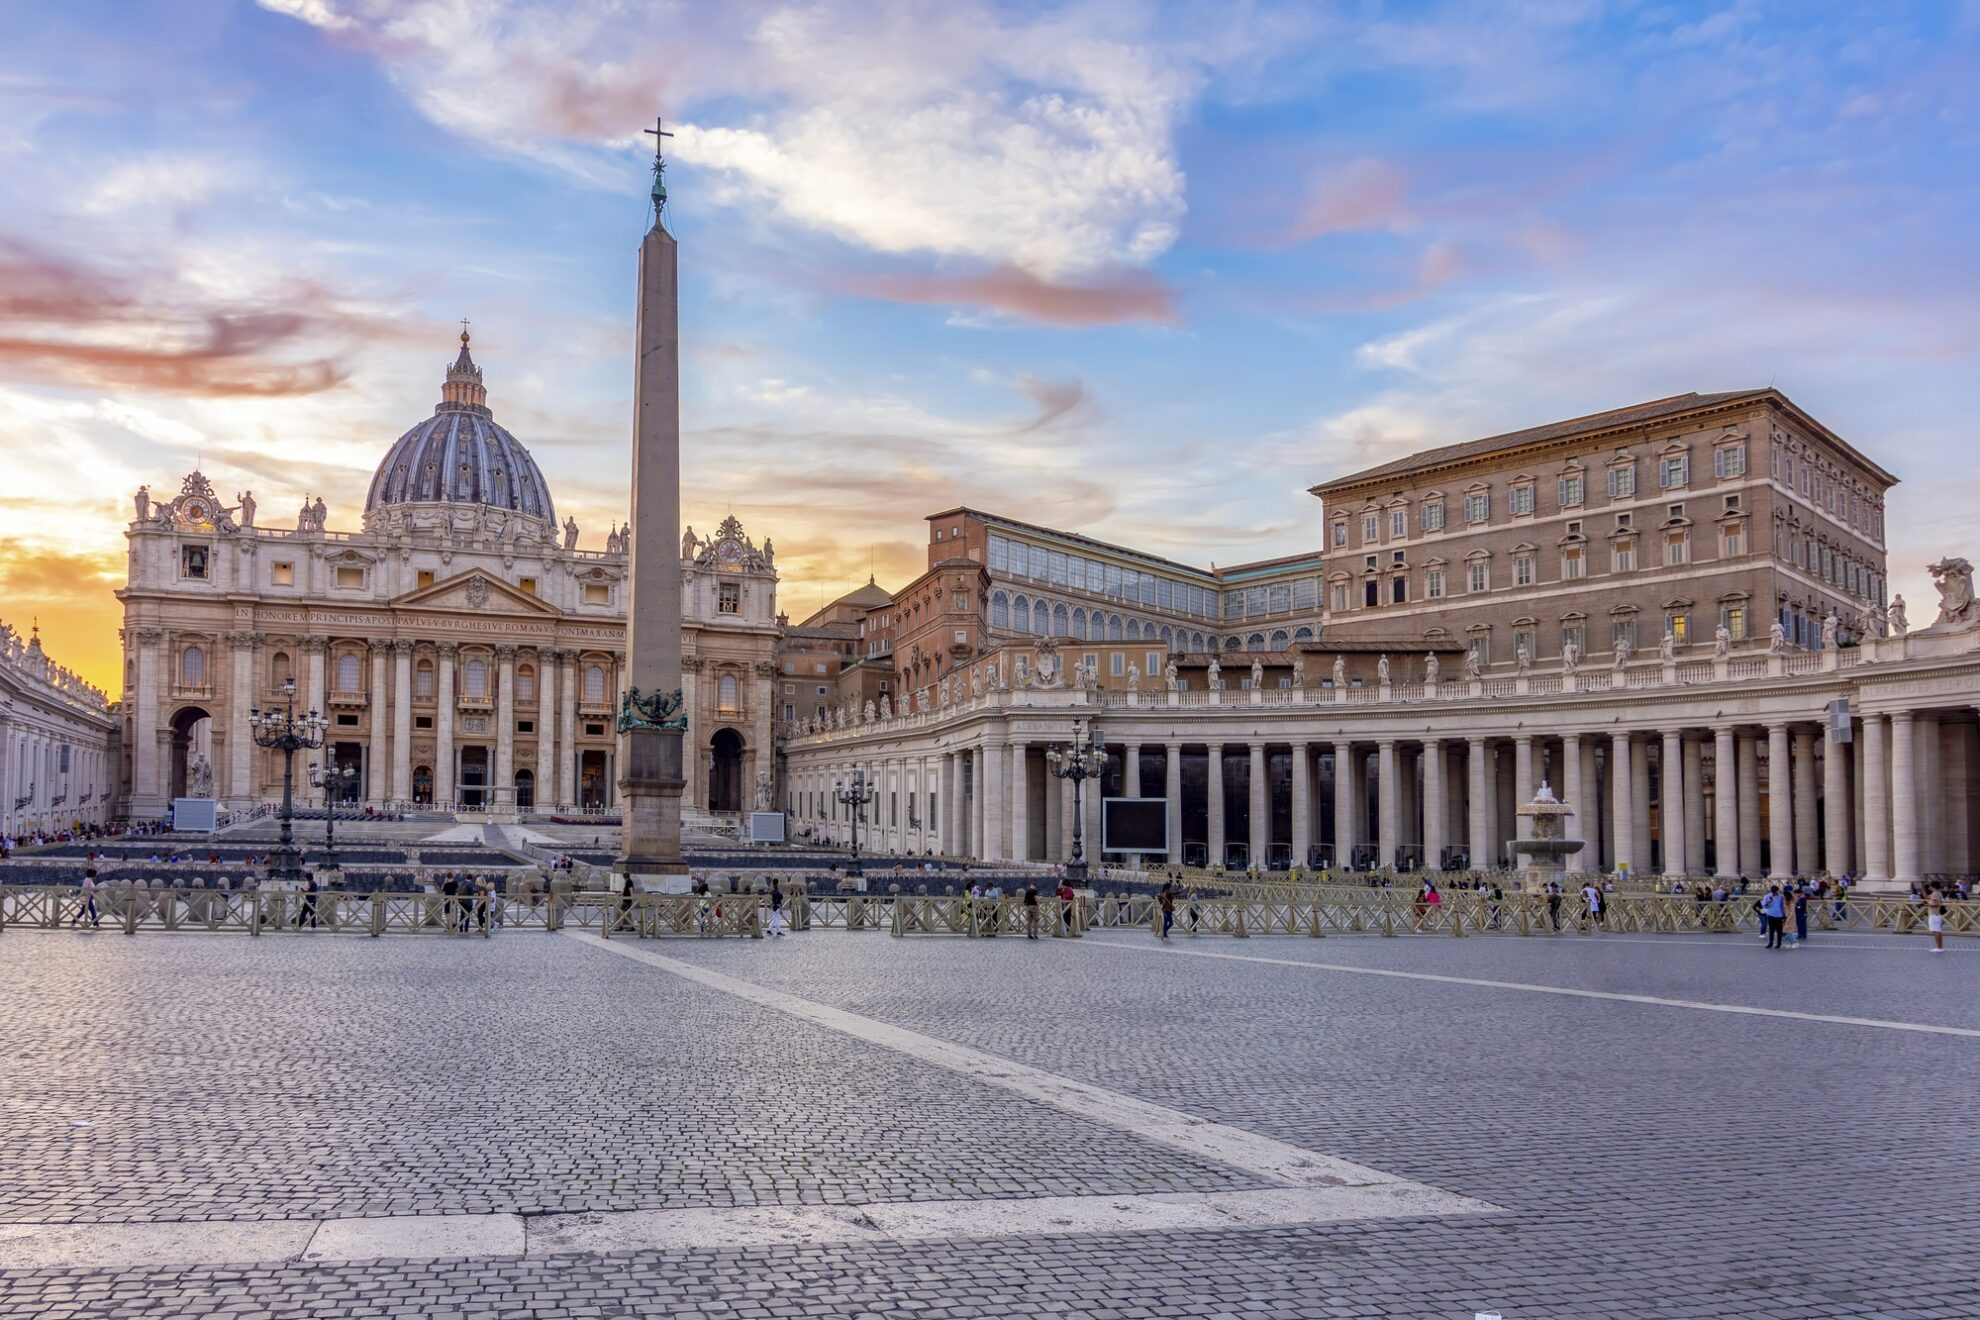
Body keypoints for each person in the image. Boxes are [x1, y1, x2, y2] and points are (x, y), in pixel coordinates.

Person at [1760, 884, 1786, 949]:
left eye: (1776, 891)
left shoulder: (1781, 897)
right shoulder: (1767, 896)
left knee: (1779, 931)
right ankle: (1770, 943)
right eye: (1774, 892)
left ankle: (1779, 944)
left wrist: (1784, 914)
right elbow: (1764, 905)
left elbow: (1782, 906)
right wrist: (1770, 901)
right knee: (1771, 930)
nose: (1775, 893)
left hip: (1779, 915)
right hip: (1771, 915)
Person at [1926, 884, 1946, 954]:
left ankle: (1939, 947)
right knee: (1938, 931)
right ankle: (1939, 947)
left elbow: (1937, 904)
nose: (1929, 887)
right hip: (1937, 914)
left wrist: (1928, 904)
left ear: (1933, 886)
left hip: (1934, 914)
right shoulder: (1939, 893)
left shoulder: (1935, 894)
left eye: (1930, 886)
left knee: (1936, 931)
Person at [1790, 883, 1809, 948]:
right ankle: (1800, 934)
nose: (1795, 894)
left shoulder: (1802, 898)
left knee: (1802, 924)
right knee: (1798, 923)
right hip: (1798, 912)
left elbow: (1802, 906)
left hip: (1801, 912)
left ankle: (1803, 935)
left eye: (1796, 893)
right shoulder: (1798, 898)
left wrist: (1799, 908)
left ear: (1799, 893)